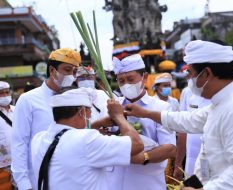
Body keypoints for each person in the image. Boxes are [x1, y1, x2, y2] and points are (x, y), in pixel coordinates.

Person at [124, 40, 233, 189]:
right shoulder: (221, 103)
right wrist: (146, 113)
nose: (189, 80)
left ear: (207, 73)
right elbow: (189, 120)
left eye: (190, 73)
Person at [31, 87, 144, 190]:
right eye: (89, 110)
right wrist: (118, 116)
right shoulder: (86, 140)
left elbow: (73, 145)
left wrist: (96, 124)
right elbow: (136, 144)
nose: (90, 116)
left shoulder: (38, 138)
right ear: (82, 112)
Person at [11, 48, 81, 190]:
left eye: (74, 72)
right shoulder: (28, 100)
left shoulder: (76, 99)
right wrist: (24, 184)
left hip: (71, 178)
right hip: (38, 180)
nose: (71, 76)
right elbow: (19, 142)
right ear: (52, 70)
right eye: (67, 70)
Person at [109, 54, 176, 190]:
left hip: (148, 182)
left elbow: (170, 148)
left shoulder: (161, 108)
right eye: (121, 81)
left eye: (130, 79)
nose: (126, 84)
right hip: (116, 182)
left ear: (144, 78)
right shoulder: (113, 107)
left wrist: (143, 157)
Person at [0, 81, 14, 190]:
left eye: (6, 92)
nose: (5, 95)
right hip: (2, 164)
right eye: (1, 93)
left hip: (19, 159)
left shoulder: (17, 109)